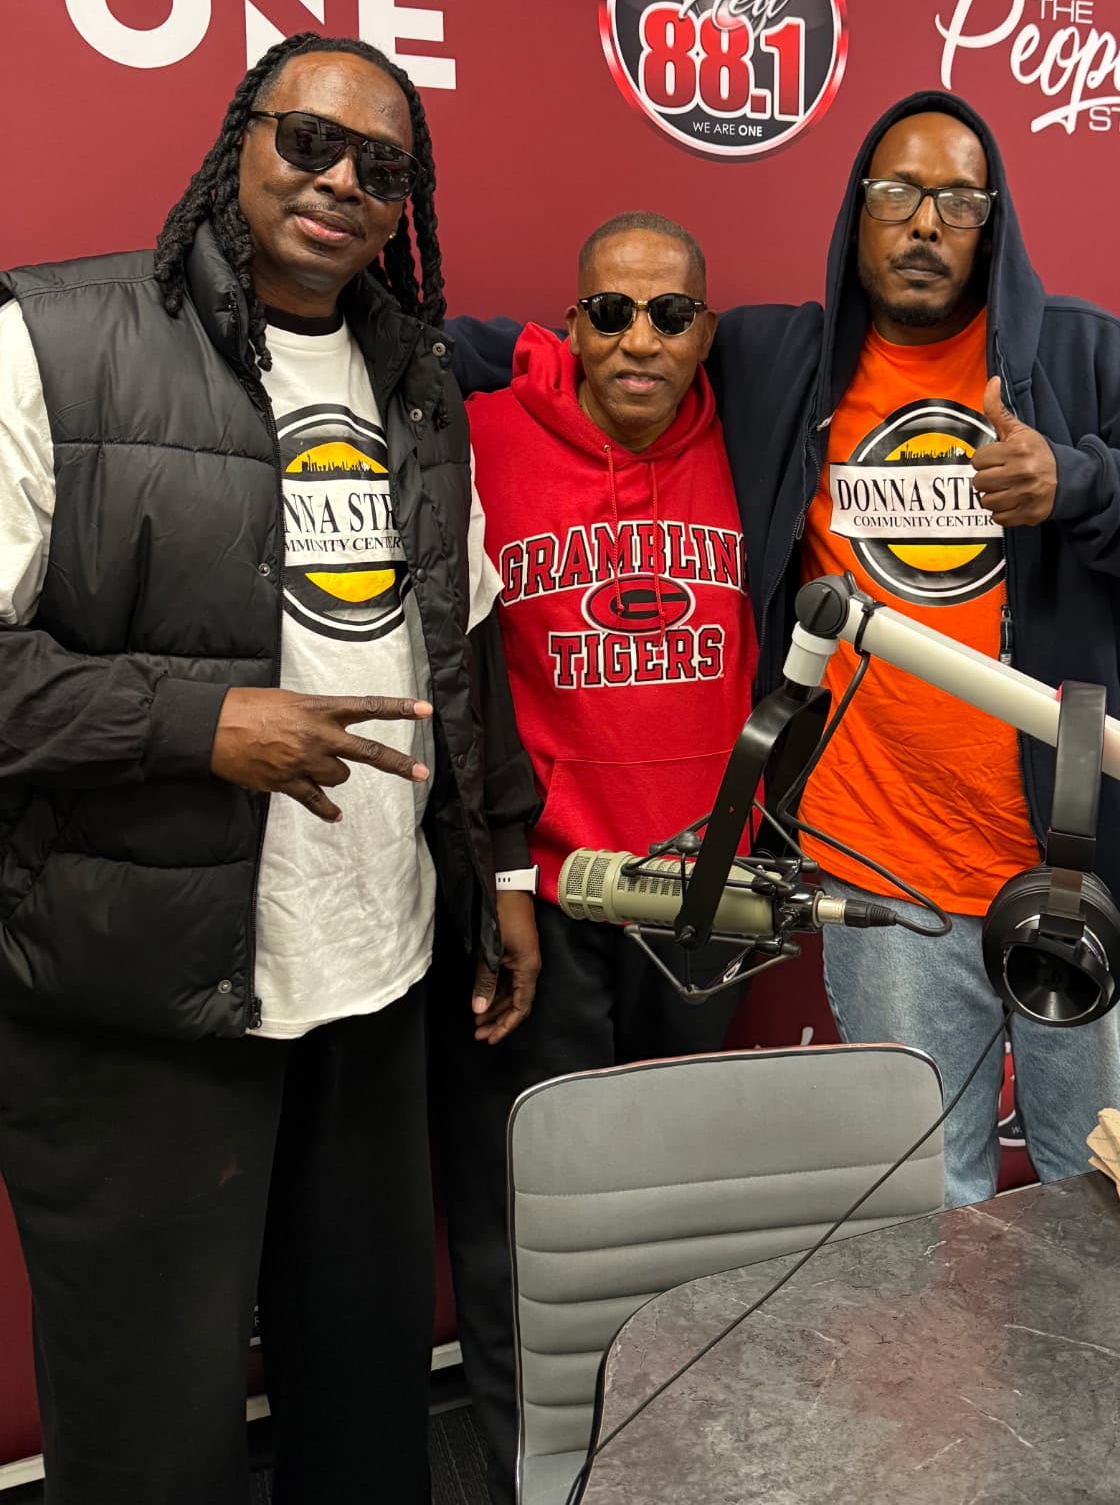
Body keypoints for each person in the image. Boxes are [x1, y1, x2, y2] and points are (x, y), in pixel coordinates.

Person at [448, 88, 1120, 1207]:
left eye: (957, 200)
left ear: (994, 222)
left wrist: (1082, 482)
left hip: (1082, 874)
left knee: (1102, 1207)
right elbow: (587, 348)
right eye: (897, 193)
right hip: (887, 880)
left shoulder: (1079, 354)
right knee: (925, 1218)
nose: (924, 222)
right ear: (857, 212)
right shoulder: (783, 357)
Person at [0, 34, 541, 1505]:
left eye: (385, 168)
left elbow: (460, 650)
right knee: (152, 1442)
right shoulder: (53, 338)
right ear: (238, 139)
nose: (344, 182)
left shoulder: (417, 378)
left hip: (371, 974)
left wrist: (495, 867)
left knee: (366, 1417)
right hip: (142, 999)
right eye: (309, 141)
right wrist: (201, 723)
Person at [433, 211, 756, 1503]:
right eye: (609, 311)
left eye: (670, 314)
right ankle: (541, 1472)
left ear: (706, 332)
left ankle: (669, 1463)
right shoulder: (480, 435)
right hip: (544, 898)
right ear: (568, 324)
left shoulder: (758, 444)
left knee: (680, 1215)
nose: (639, 337)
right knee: (530, 1225)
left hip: (704, 905)